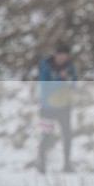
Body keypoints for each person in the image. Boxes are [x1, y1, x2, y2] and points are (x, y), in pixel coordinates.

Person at [37, 44, 77, 173]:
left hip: (64, 107)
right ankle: (42, 165)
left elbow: (74, 81)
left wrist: (71, 86)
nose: (63, 58)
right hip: (47, 107)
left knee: (67, 136)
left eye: (65, 56)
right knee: (46, 136)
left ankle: (67, 164)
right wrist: (60, 78)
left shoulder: (69, 66)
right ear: (56, 54)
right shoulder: (47, 67)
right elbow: (44, 86)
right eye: (61, 55)